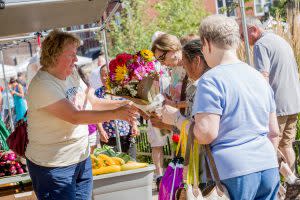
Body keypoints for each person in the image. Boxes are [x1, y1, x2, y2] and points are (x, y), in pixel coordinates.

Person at [162, 15, 280, 200]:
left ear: (207, 43)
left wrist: (176, 118)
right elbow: (273, 131)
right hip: (268, 166)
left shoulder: (211, 80)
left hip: (233, 171)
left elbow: (206, 133)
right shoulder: (258, 76)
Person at [25, 30, 139, 200]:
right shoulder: (42, 85)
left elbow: (92, 101)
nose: (76, 59)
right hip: (55, 166)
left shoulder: (71, 74)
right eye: (72, 54)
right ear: (55, 55)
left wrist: (123, 104)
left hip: (81, 158)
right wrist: (116, 113)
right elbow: (75, 116)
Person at [239, 17, 300, 172]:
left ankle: (279, 185)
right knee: (286, 145)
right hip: (293, 102)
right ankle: (294, 186)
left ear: (253, 29)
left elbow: (263, 77)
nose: (241, 40)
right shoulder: (280, 40)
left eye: (242, 35)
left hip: (277, 106)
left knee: (271, 147)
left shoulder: (261, 45)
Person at [89, 64, 138, 158]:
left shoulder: (123, 90)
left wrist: (134, 125)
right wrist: (101, 130)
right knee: (113, 161)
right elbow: (96, 112)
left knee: (131, 161)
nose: (104, 78)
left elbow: (132, 108)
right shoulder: (98, 93)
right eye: (102, 75)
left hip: (126, 132)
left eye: (106, 75)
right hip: (108, 134)